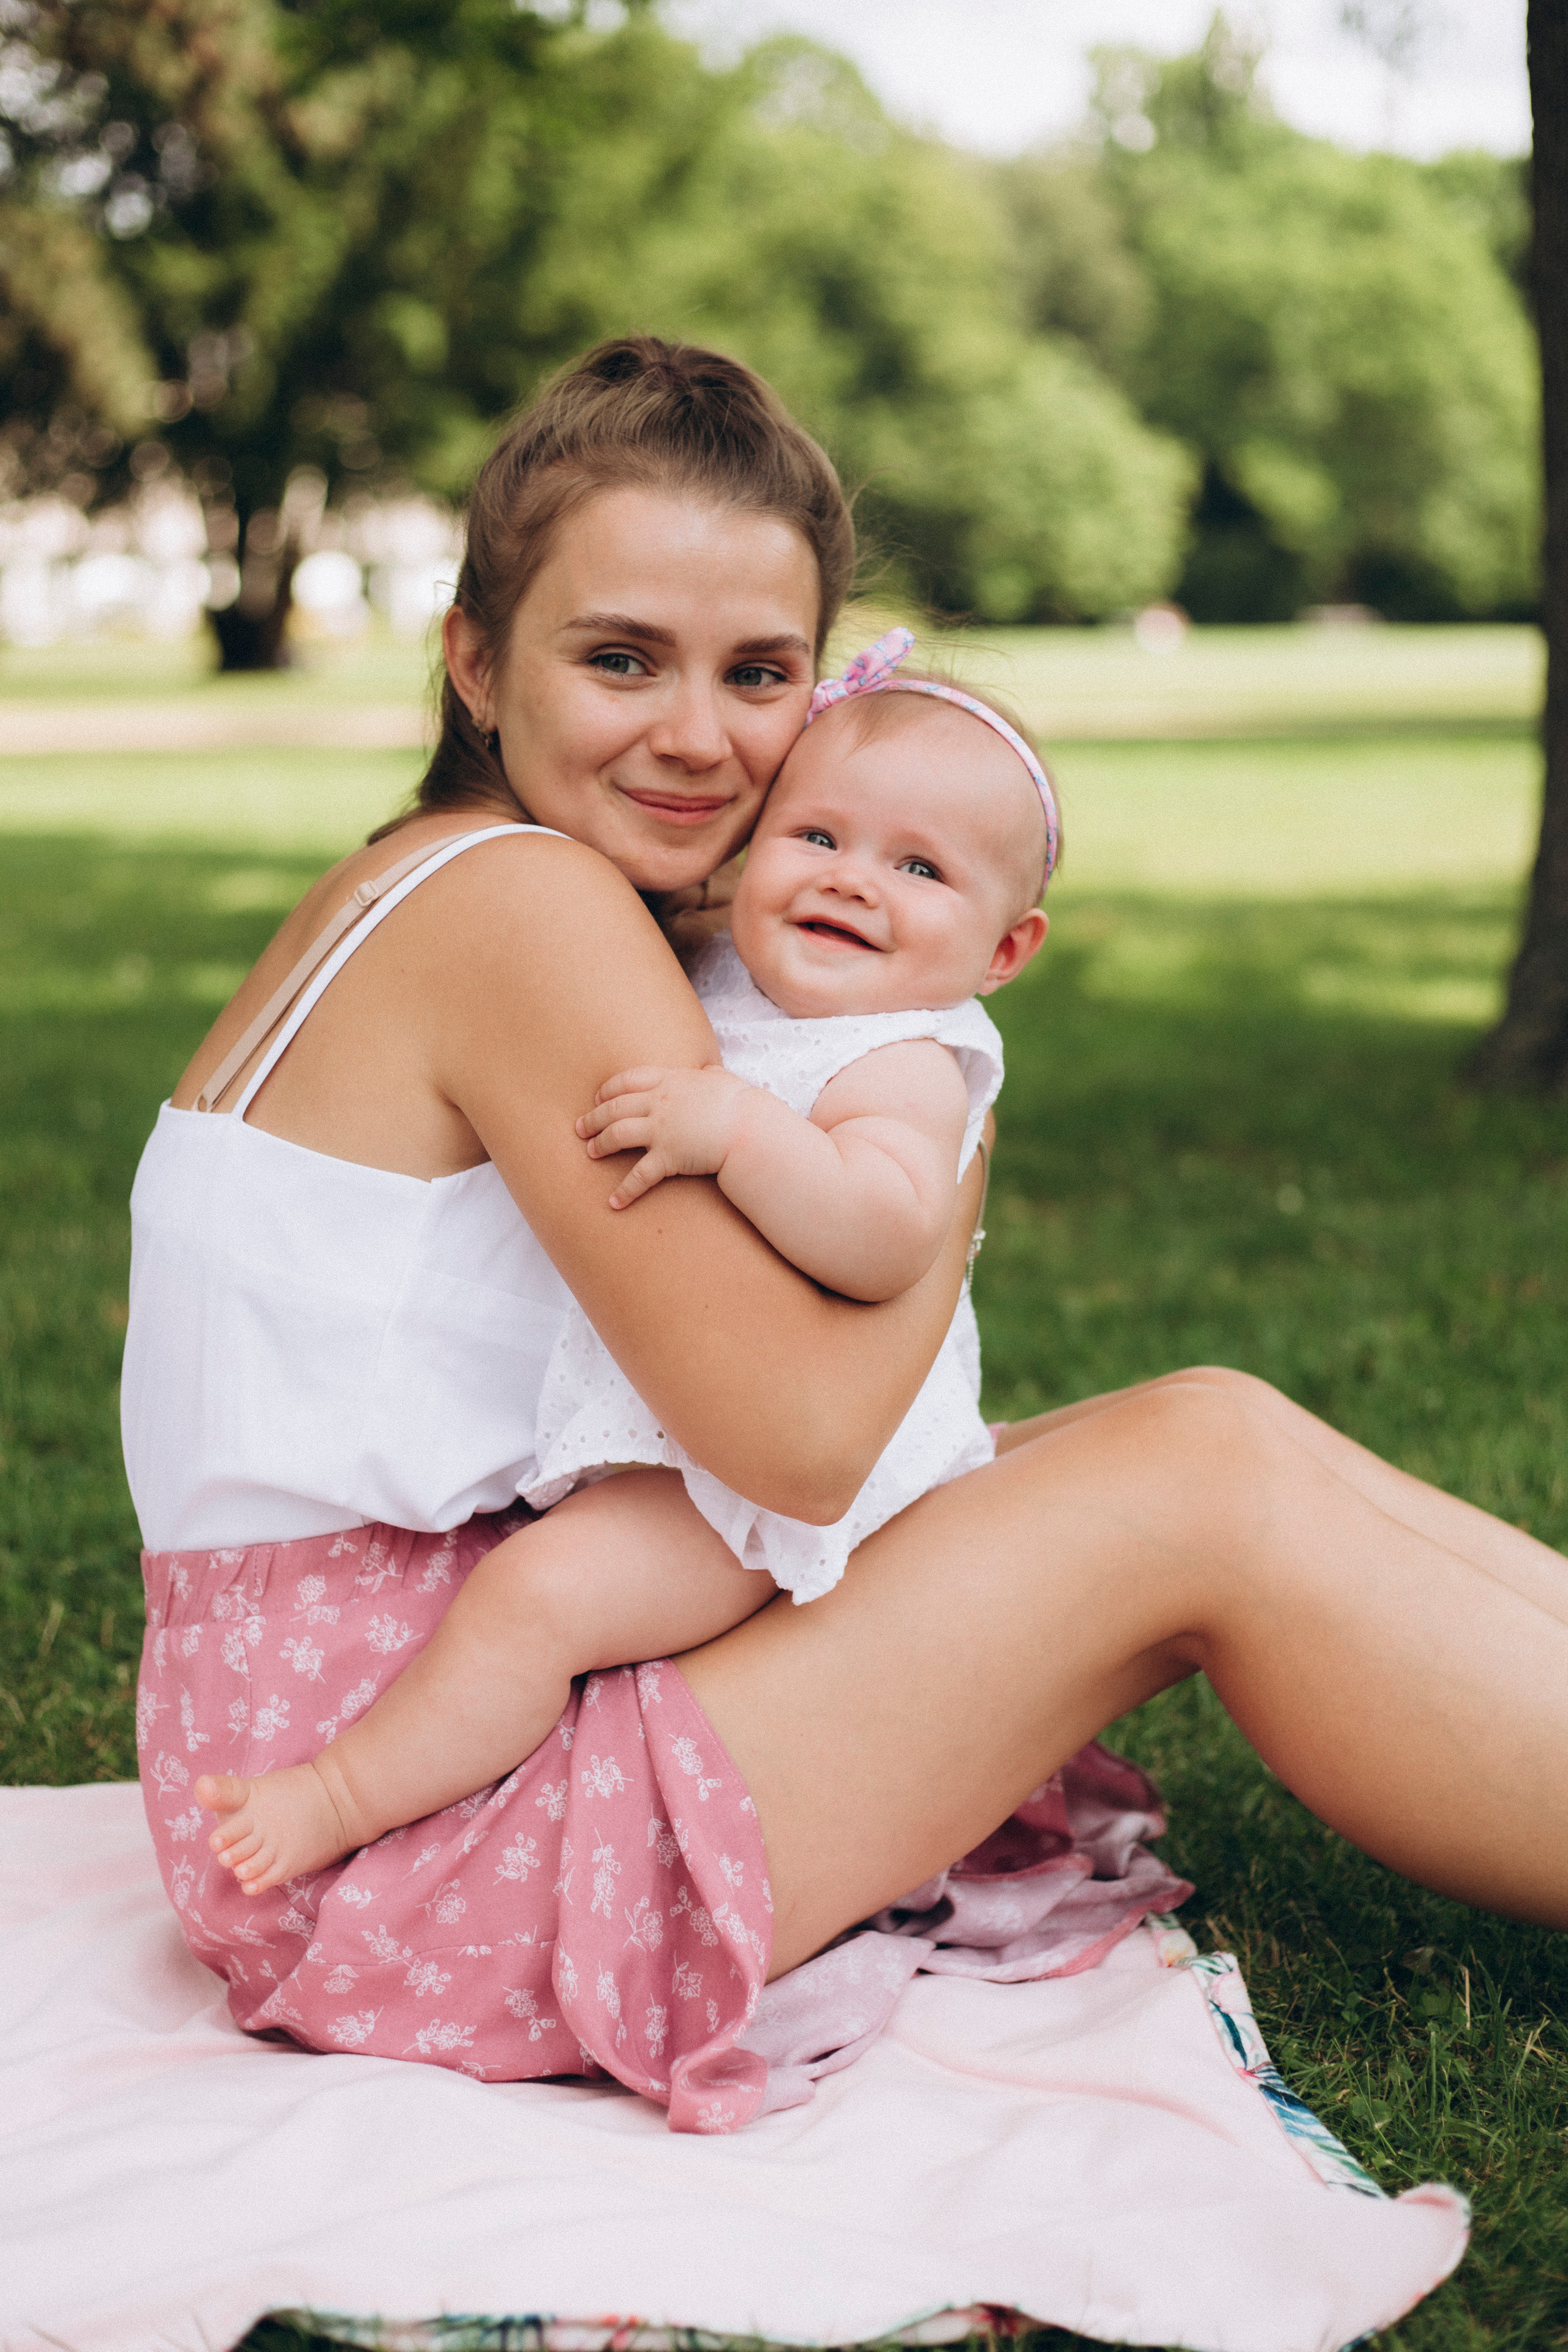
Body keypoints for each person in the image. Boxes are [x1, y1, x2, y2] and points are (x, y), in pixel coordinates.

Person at [127, 334, 1568, 2139]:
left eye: (760, 675)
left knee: (1211, 1422)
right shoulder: (528, 910)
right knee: (1203, 1485)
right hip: (412, 1833)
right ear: (478, 658)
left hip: (390, 1723)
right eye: (619, 657)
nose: (698, 734)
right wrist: (940, 1106)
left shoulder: (428, 873)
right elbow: (804, 1450)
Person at [190, 632, 1057, 1894]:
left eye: (918, 867)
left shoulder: (906, 1062)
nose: (852, 881)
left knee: (534, 1604)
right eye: (815, 837)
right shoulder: (740, 974)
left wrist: (741, 1133)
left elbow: (885, 1235)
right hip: (691, 1443)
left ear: (1001, 953)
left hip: (751, 1506)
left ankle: (338, 1795)